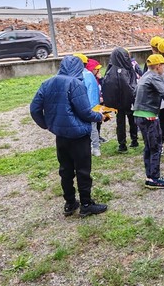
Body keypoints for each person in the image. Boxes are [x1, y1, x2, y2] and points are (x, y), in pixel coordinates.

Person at [30, 56, 107, 217]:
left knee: (65, 170)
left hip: (61, 135)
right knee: (83, 170)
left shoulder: (47, 83)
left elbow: (34, 108)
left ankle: (70, 203)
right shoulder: (75, 84)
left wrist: (46, 124)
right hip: (78, 136)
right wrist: (100, 116)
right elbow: (85, 112)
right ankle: (86, 204)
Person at [133, 54, 164, 189]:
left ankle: (149, 175)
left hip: (139, 115)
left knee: (148, 146)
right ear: (158, 66)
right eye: (163, 65)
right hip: (149, 116)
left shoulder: (145, 76)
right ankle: (154, 178)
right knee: (156, 146)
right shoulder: (154, 77)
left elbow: (135, 92)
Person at [102, 47, 139, 152]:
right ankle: (134, 140)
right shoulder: (128, 69)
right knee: (131, 121)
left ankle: (122, 144)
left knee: (121, 123)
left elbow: (106, 86)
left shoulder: (110, 71)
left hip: (118, 103)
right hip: (128, 101)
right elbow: (133, 84)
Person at [74, 53, 101, 157]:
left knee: (86, 128)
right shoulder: (89, 75)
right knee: (93, 128)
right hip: (93, 106)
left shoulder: (80, 76)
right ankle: (95, 148)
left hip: (85, 106)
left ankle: (90, 148)